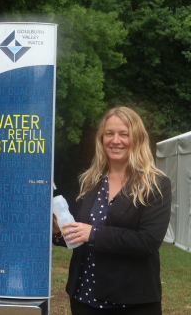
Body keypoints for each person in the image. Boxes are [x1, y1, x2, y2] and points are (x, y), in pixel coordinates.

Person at [52, 107, 171, 314]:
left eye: (124, 134)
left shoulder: (155, 183)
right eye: (109, 134)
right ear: (101, 138)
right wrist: (58, 232)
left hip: (131, 302)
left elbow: (148, 241)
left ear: (137, 139)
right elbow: (82, 234)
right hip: (84, 299)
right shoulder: (89, 181)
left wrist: (94, 233)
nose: (116, 140)